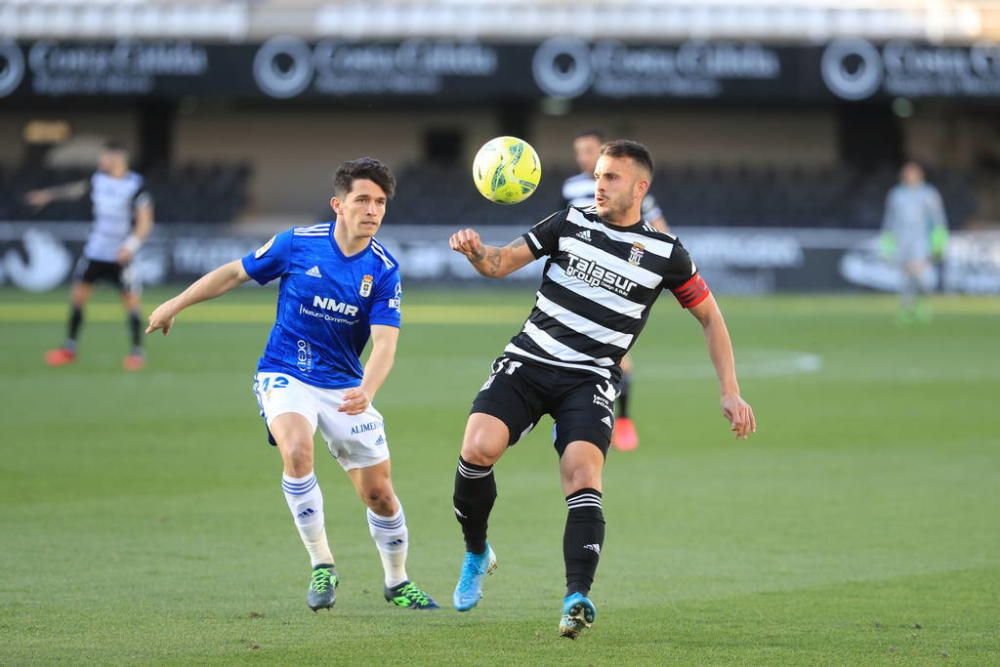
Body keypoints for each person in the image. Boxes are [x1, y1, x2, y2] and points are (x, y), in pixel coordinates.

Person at [449, 140, 756, 638]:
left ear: (640, 187)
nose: (599, 185)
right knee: (477, 449)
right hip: (529, 361)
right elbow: (499, 263)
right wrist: (474, 252)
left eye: (611, 177)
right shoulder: (569, 221)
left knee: (582, 476)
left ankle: (576, 597)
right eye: (597, 175)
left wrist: (730, 390)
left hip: (589, 379)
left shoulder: (665, 254)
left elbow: (710, 316)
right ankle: (477, 552)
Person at [146, 158, 437, 612]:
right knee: (297, 451)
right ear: (337, 204)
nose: (373, 210)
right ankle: (322, 563)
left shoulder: (383, 270)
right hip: (285, 371)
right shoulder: (297, 245)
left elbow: (384, 345)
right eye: (363, 200)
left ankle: (397, 581)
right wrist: (175, 304)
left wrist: (369, 390)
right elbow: (234, 273)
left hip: (345, 386)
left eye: (380, 202)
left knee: (379, 495)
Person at [560, 130, 670, 452]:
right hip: (574, 277)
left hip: (613, 277)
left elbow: (659, 227)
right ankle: (572, 415)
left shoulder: (626, 189)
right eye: (579, 151)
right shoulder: (570, 188)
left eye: (590, 150)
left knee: (616, 351)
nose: (584, 156)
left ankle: (621, 419)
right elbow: (560, 224)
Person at [27, 142, 154, 370]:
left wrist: (131, 246)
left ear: (118, 157)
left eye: (104, 157)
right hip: (96, 251)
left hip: (120, 256)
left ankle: (137, 353)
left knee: (132, 304)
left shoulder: (135, 186)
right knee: (77, 298)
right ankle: (69, 348)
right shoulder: (98, 180)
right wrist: (47, 196)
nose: (100, 161)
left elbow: (145, 222)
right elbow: (75, 190)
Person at [880, 161, 949, 324]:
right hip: (902, 241)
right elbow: (889, 220)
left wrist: (938, 243)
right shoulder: (896, 194)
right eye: (906, 173)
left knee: (921, 276)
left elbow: (938, 220)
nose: (909, 176)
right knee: (905, 277)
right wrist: (887, 244)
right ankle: (906, 308)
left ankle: (924, 303)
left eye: (912, 173)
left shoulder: (929, 194)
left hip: (921, 241)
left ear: (919, 175)